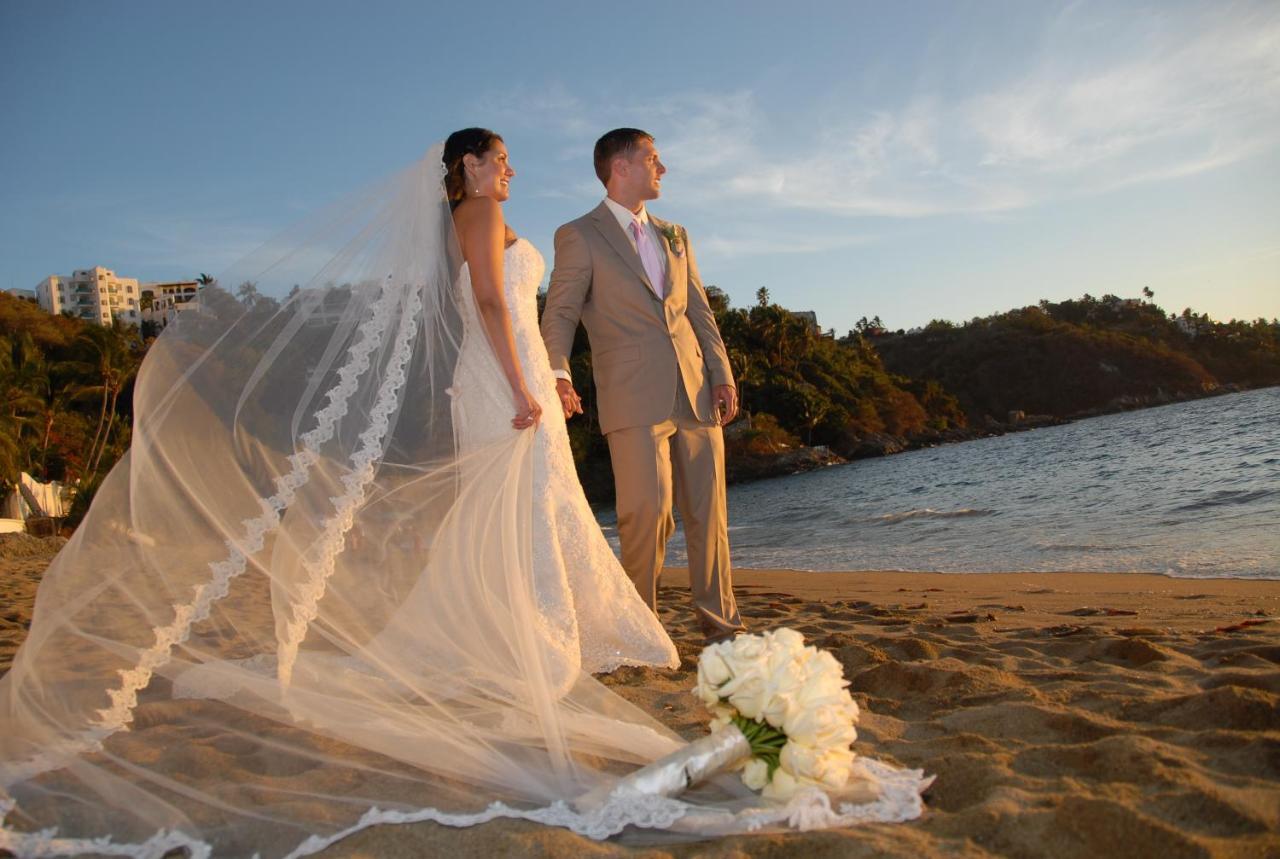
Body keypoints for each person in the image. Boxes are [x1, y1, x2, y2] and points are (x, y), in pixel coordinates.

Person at [0, 131, 926, 858]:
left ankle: (555, 629)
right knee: (522, 510)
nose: (512, 171)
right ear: (469, 166)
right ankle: (536, 639)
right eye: (502, 159)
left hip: (516, 371)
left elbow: (515, 311)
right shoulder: (477, 220)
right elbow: (489, 306)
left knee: (539, 509)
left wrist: (552, 378)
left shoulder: (487, 220)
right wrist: (524, 388)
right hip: (498, 379)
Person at [542, 128, 746, 644]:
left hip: (696, 390)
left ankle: (720, 624)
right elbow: (561, 311)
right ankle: (640, 628)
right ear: (620, 167)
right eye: (652, 158)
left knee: (709, 512)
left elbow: (698, 308)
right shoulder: (579, 234)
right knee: (646, 516)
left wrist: (721, 373)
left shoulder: (676, 234)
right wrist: (558, 374)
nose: (663, 168)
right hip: (631, 394)